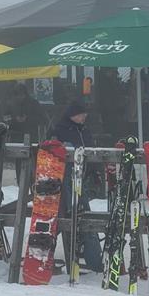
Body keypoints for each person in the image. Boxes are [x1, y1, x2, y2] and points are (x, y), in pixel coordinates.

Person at [47, 101, 103, 273]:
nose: (83, 117)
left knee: (81, 215)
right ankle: (46, 256)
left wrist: (95, 172)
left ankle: (93, 260)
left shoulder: (83, 130)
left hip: (81, 178)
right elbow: (51, 149)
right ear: (72, 114)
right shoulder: (60, 130)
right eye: (81, 114)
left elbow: (91, 150)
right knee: (62, 217)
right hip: (63, 179)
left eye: (84, 115)